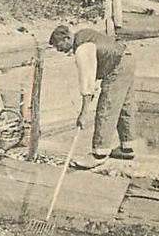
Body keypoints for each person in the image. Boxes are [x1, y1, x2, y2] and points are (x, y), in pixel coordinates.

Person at [48, 24, 137, 168]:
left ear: (67, 38)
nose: (59, 50)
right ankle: (127, 147)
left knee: (106, 109)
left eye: (59, 45)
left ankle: (99, 154)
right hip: (127, 59)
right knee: (124, 106)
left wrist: (83, 114)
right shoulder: (84, 34)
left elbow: (87, 83)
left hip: (117, 66)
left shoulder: (82, 49)